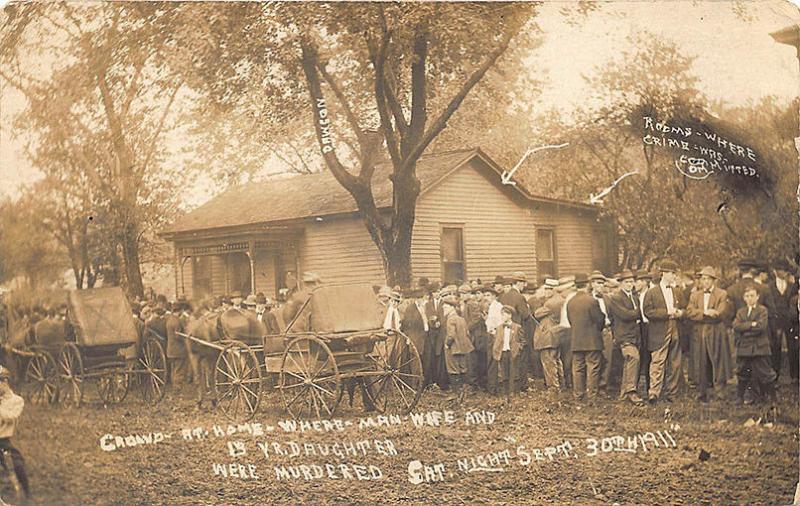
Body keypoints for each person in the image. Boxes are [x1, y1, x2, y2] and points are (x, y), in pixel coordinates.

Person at [685, 266, 733, 402]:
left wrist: (699, 314)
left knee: (718, 360)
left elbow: (719, 313)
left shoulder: (722, 294)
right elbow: (689, 312)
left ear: (713, 281)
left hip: (716, 331)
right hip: (699, 332)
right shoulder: (695, 295)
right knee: (700, 361)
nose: (704, 282)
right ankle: (701, 393)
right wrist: (705, 313)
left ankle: (720, 393)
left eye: (707, 279)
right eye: (702, 279)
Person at [643, 260, 685, 404]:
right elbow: (648, 312)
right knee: (658, 361)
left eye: (674, 273)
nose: (674, 276)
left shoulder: (677, 292)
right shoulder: (651, 293)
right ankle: (654, 393)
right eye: (672, 273)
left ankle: (672, 393)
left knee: (675, 362)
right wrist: (667, 312)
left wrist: (680, 313)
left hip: (676, 329)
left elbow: (684, 310)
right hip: (659, 331)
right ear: (664, 273)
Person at [732, 287, 777, 405]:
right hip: (744, 347)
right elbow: (736, 326)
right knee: (742, 371)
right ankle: (740, 397)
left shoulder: (762, 310)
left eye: (752, 295)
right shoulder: (740, 312)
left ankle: (772, 399)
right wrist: (752, 324)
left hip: (759, 347)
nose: (749, 298)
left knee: (766, 373)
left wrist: (745, 328)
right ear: (743, 298)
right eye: (747, 296)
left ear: (757, 297)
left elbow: (761, 327)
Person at [607, 270, 645, 405]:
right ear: (621, 284)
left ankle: (623, 395)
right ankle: (631, 391)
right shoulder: (616, 298)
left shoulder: (634, 297)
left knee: (629, 363)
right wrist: (640, 312)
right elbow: (625, 315)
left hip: (635, 335)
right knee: (633, 358)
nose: (630, 284)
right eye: (627, 282)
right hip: (624, 336)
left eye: (631, 282)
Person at [567, 273, 605, 402]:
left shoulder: (570, 302)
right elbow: (600, 320)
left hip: (576, 340)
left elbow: (570, 321)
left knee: (578, 368)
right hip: (592, 340)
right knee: (592, 368)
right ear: (587, 284)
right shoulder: (591, 301)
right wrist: (597, 330)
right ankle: (591, 396)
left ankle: (578, 395)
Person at [499, 272, 533, 392]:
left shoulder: (503, 296)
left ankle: (509, 386)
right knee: (521, 358)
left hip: (505, 330)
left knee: (507, 359)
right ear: (518, 283)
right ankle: (522, 386)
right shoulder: (519, 297)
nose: (524, 286)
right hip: (517, 330)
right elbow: (525, 315)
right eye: (523, 283)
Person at [0, 366, 29, 500]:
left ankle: (26, 493)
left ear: (5, 382)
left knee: (17, 465)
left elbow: (11, 416)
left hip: (6, 440)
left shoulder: (16, 401)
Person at [770, 260, 799, 383]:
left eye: (785, 270)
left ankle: (794, 375)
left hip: (790, 321)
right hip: (776, 320)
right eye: (780, 270)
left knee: (792, 347)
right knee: (775, 347)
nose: (783, 272)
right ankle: (775, 374)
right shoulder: (769, 286)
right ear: (775, 271)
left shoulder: (792, 285)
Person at [533, 294, 566, 398]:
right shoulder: (561, 301)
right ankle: (561, 384)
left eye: (548, 289)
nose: (546, 291)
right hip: (555, 336)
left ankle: (553, 388)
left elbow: (536, 314)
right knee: (557, 361)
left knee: (549, 363)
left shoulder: (551, 303)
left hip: (548, 337)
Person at [488, 305, 524, 398]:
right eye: (502, 315)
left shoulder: (517, 327)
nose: (502, 317)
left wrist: (518, 348)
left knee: (514, 372)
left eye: (504, 315)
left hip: (513, 353)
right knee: (504, 373)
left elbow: (523, 341)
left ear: (510, 315)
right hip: (502, 353)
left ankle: (513, 391)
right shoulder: (499, 328)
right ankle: (505, 392)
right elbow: (496, 340)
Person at [442, 295, 474, 392]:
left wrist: (447, 344)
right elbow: (467, 334)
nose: (444, 310)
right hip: (463, 349)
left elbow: (451, 335)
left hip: (453, 349)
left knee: (453, 369)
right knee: (462, 368)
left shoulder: (451, 319)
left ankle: (456, 392)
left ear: (452, 308)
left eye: (446, 307)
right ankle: (463, 391)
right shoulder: (461, 319)